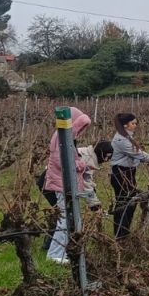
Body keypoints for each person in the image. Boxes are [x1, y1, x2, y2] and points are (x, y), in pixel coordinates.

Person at [43, 107, 103, 264]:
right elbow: (60, 160)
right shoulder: (61, 137)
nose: (81, 130)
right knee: (64, 219)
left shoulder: (67, 138)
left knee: (69, 218)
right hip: (60, 184)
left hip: (65, 183)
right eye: (80, 126)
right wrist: (81, 164)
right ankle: (55, 254)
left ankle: (64, 252)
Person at [110, 113, 149, 238]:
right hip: (121, 174)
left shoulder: (127, 137)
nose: (135, 126)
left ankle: (124, 233)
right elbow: (141, 156)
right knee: (124, 204)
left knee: (130, 203)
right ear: (125, 125)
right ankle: (120, 234)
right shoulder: (121, 140)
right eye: (133, 123)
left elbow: (137, 157)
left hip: (128, 173)